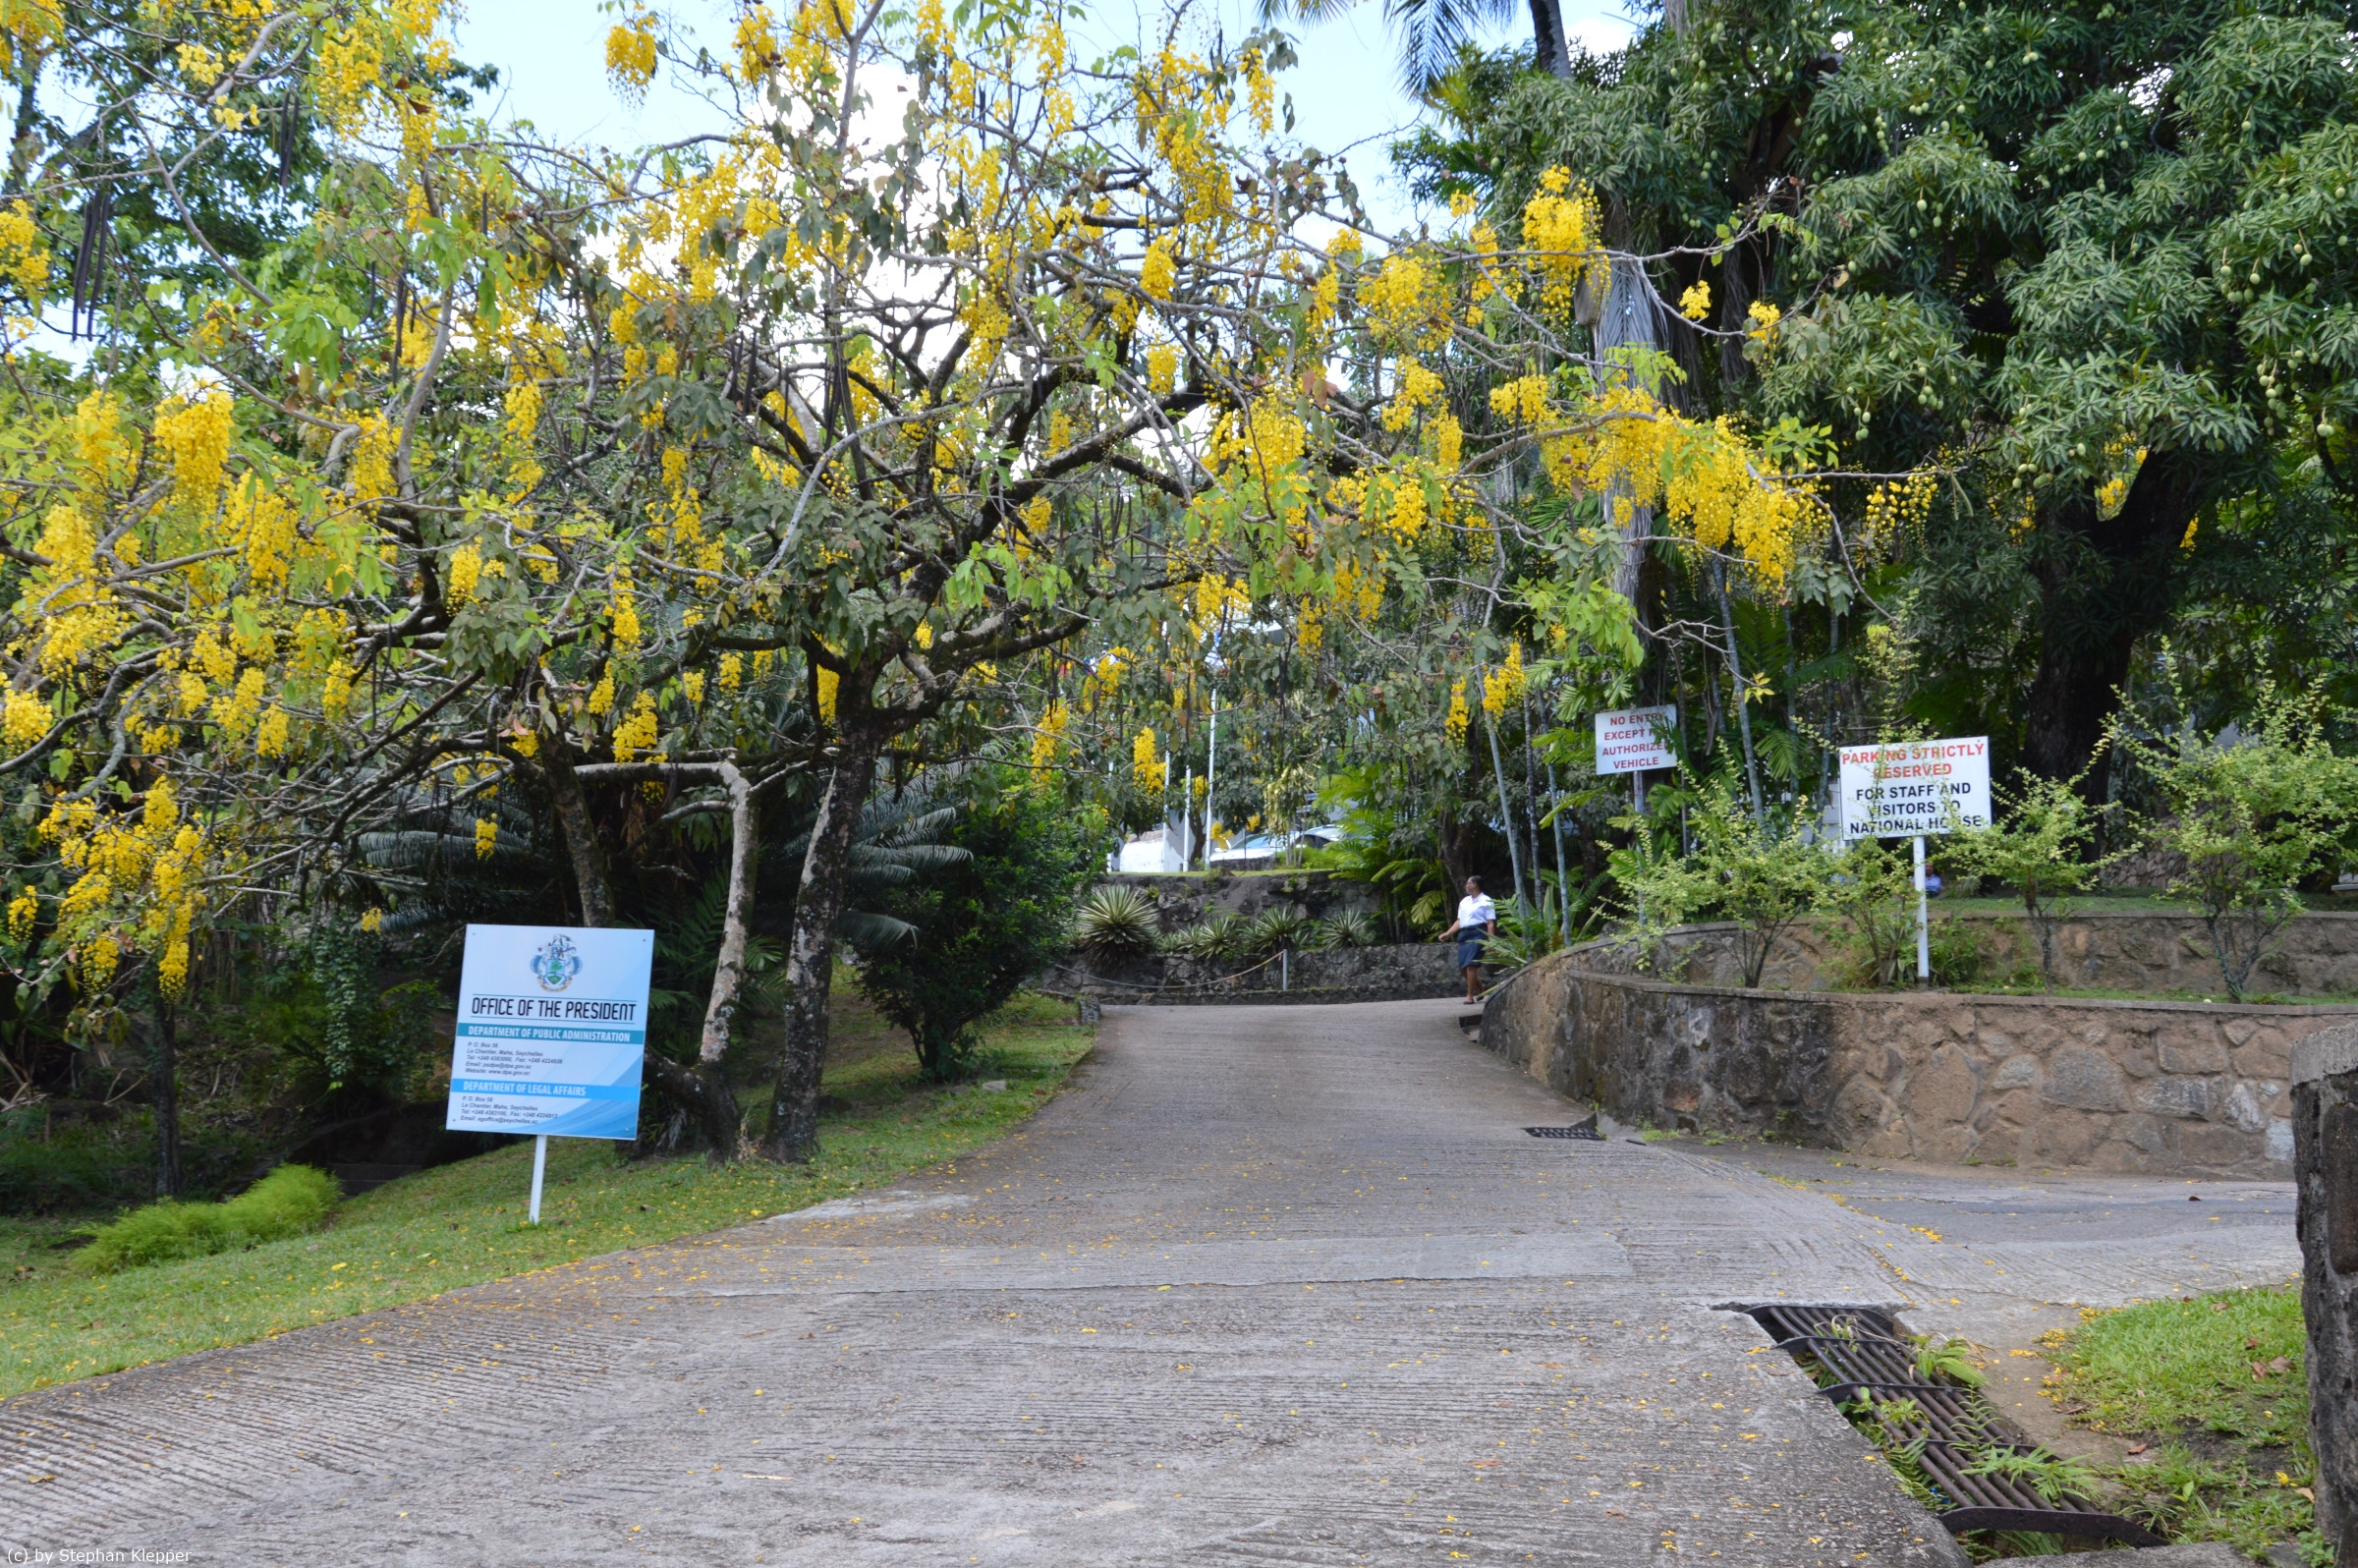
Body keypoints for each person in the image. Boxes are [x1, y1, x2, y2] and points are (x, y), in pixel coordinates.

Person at [1438, 875, 1498, 1002]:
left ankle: (1470, 996)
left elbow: (1490, 923)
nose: (1466, 886)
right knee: (1463, 968)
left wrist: (1491, 940)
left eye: (1468, 883)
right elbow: (1460, 921)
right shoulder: (1464, 901)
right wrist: (1448, 933)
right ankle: (1481, 986)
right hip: (1465, 934)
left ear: (1475, 884)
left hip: (1479, 932)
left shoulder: (1486, 901)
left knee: (1471, 964)